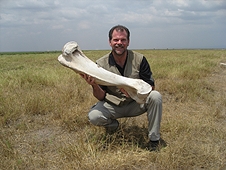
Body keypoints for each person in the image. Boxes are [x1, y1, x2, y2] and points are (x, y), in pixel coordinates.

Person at [80, 25, 162, 151]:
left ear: (128, 42)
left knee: (156, 96)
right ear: (110, 42)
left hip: (136, 103)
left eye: (123, 40)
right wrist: (94, 84)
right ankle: (113, 127)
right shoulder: (100, 65)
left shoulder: (139, 59)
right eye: (116, 40)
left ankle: (154, 140)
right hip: (113, 105)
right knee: (94, 116)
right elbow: (101, 96)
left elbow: (150, 86)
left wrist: (134, 92)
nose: (119, 43)